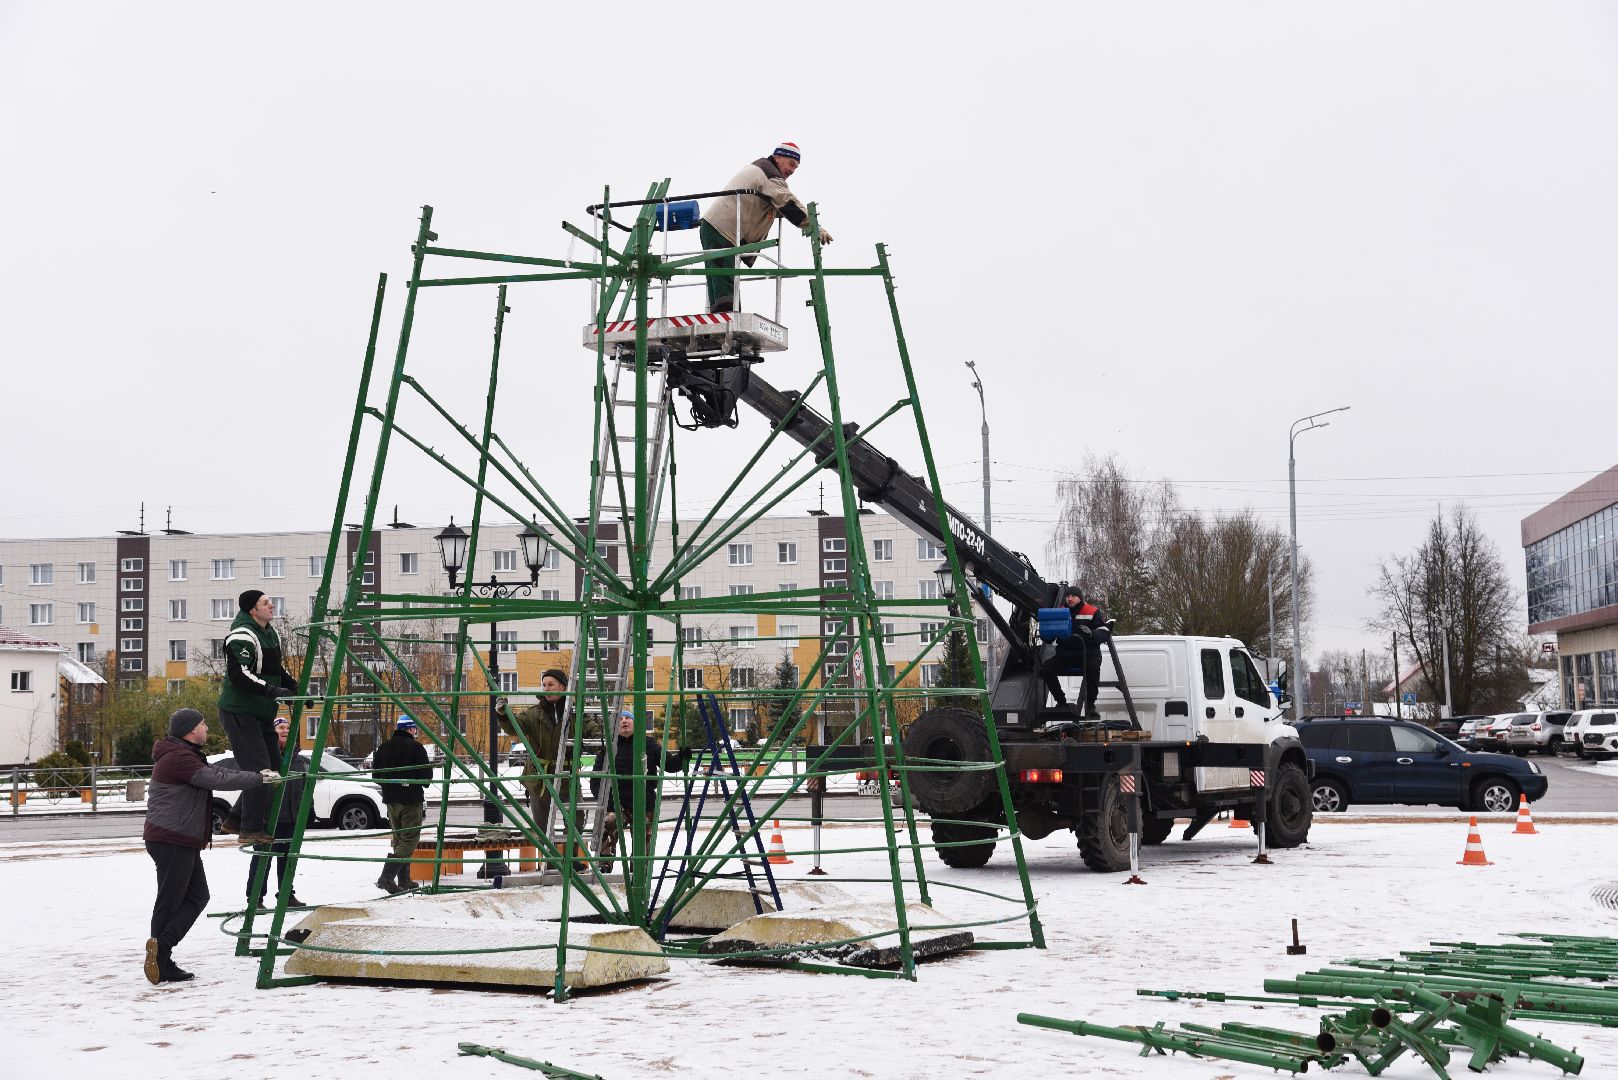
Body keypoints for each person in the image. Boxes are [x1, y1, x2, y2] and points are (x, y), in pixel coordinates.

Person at [143, 707, 279, 984]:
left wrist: (255, 772)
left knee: (197, 896)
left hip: (179, 837)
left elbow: (216, 770)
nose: (207, 729)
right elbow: (215, 779)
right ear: (191, 730)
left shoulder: (184, 753)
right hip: (171, 837)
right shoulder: (178, 757)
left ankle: (161, 950)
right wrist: (258, 779)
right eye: (203, 724)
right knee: (171, 899)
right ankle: (161, 956)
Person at [700, 141, 833, 313]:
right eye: (791, 164)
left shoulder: (762, 170)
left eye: (796, 168)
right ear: (778, 157)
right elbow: (787, 202)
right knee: (725, 279)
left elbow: (776, 205)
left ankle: (719, 319)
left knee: (718, 279)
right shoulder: (769, 173)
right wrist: (815, 226)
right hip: (723, 229)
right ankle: (729, 321)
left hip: (715, 226)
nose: (792, 171)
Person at [218, 590, 298, 845]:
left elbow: (276, 669)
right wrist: (274, 691)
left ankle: (235, 818)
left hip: (262, 710)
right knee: (260, 770)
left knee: (274, 768)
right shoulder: (242, 635)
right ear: (253, 610)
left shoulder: (269, 632)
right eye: (265, 603)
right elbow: (239, 675)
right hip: (241, 711)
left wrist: (295, 690)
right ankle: (250, 829)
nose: (271, 605)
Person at [598, 710, 686, 873]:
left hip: (643, 801)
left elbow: (670, 765)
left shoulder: (648, 744)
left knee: (643, 833)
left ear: (636, 724)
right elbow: (596, 776)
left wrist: (682, 757)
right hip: (618, 801)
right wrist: (605, 800)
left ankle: (638, 866)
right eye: (621, 719)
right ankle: (604, 862)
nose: (624, 721)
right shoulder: (610, 747)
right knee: (608, 822)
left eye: (628, 718)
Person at [244, 718, 307, 911]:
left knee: (287, 858)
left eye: (288, 728)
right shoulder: (265, 756)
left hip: (291, 816)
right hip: (268, 817)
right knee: (262, 858)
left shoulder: (298, 758)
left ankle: (286, 895)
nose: (285, 730)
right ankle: (255, 898)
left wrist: (307, 810)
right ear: (272, 732)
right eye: (281, 727)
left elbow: (304, 786)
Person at [370, 715, 431, 894]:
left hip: (390, 800)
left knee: (398, 839)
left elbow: (376, 776)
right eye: (415, 729)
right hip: (411, 800)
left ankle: (404, 880)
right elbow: (426, 777)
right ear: (410, 729)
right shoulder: (416, 748)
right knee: (410, 839)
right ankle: (387, 877)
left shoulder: (383, 747)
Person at [1042, 585, 1111, 719]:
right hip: (1065, 653)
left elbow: (1105, 632)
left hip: (1088, 653)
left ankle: (1090, 706)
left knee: (1092, 668)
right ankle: (1061, 703)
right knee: (1047, 668)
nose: (1070, 599)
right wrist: (1046, 634)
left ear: (1080, 598)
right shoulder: (1059, 612)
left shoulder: (1091, 611)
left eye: (1073, 596)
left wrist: (1092, 634)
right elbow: (1052, 636)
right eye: (1067, 596)